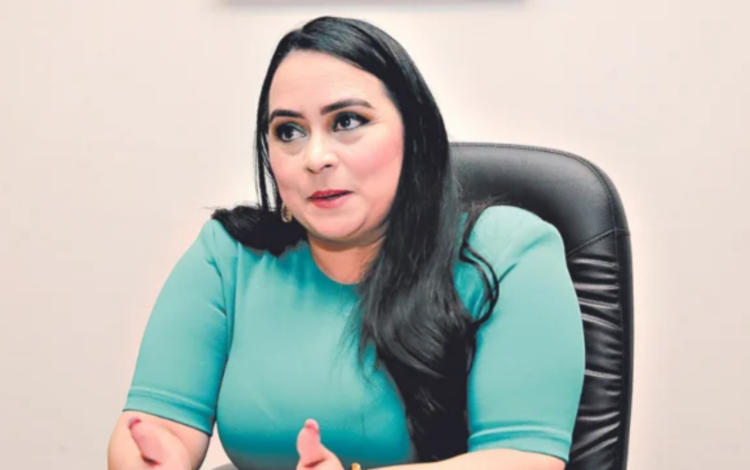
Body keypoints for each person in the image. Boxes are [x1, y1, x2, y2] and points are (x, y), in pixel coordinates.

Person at [106, 16, 585, 470]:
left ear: (414, 133)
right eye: (288, 131)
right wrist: (152, 457)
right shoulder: (229, 255)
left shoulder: (506, 252)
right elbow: (160, 428)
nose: (315, 157)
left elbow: (523, 459)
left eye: (347, 121)